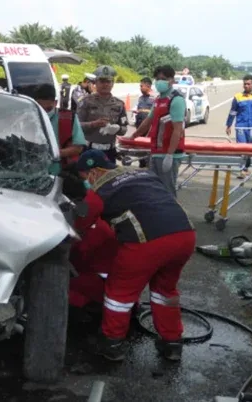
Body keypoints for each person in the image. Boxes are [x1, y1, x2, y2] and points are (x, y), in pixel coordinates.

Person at [75, 149, 196, 362]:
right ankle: (172, 343)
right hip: (184, 235)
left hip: (147, 242)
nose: (85, 181)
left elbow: (80, 224)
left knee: (120, 293)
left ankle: (112, 343)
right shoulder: (144, 173)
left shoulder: (100, 191)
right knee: (165, 291)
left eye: (84, 176)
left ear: (93, 171)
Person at [58, 165, 119, 315]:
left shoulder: (91, 228)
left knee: (51, 284)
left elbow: (74, 257)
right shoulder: (92, 210)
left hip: (101, 283)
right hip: (102, 276)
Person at [129, 65, 186, 196]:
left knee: (167, 192)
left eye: (163, 79)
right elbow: (148, 121)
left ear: (172, 80)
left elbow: (177, 130)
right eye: (158, 79)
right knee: (156, 191)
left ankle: (172, 216)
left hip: (168, 153)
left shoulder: (176, 100)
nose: (160, 82)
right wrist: (133, 136)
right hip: (156, 151)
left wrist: (170, 155)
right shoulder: (158, 99)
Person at [76, 65, 129, 163]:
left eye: (108, 81)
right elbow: (76, 126)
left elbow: (124, 129)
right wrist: (93, 124)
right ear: (95, 83)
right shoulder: (86, 102)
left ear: (113, 84)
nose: (105, 84)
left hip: (110, 152)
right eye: (102, 81)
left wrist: (117, 128)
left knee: (108, 177)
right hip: (89, 150)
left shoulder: (119, 104)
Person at [32, 83, 87, 174]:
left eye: (48, 108)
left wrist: (53, 154)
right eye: (40, 108)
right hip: (33, 172)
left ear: (55, 103)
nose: (45, 112)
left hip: (60, 172)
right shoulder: (27, 117)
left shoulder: (69, 118)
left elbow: (78, 148)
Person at [225, 74, 252, 178]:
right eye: (244, 84)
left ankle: (246, 167)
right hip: (240, 127)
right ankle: (242, 169)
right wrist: (229, 125)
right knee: (242, 148)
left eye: (248, 84)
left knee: (250, 149)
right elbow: (233, 112)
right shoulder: (238, 97)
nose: (246, 86)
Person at [133, 77, 155, 168]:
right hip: (140, 126)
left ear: (148, 86)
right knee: (140, 148)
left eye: (142, 86)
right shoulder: (140, 98)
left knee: (148, 149)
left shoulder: (154, 97)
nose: (140, 88)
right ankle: (141, 164)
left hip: (149, 129)